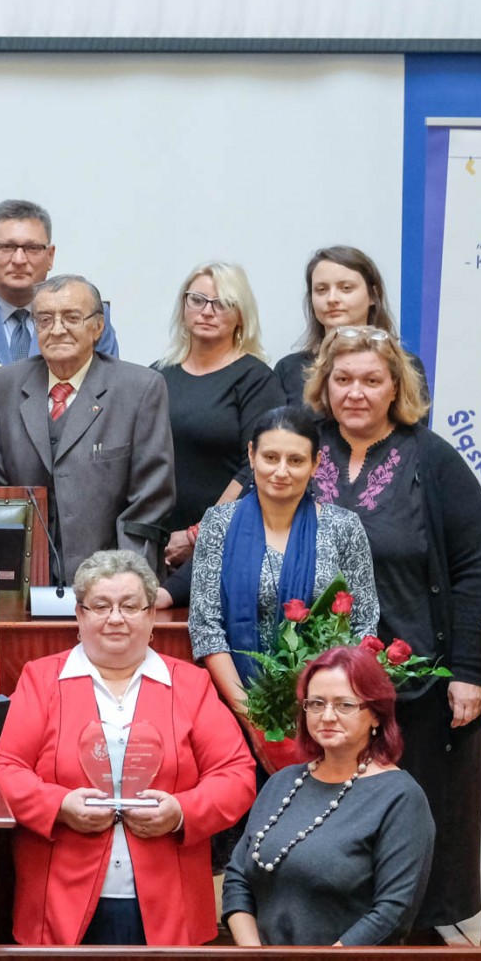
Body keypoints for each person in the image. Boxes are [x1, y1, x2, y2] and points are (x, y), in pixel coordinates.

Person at [304, 326, 481, 930]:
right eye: (342, 379)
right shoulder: (300, 448)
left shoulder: (432, 459)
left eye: (371, 380)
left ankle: (411, 936)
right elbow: (239, 524)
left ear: (396, 388)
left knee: (413, 818)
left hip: (418, 683)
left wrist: (467, 671)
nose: (355, 392)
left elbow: (474, 567)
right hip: (318, 682)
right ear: (324, 385)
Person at [0, 550, 255, 945]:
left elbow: (236, 775)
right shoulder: (40, 680)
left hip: (171, 898)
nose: (115, 618)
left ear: (151, 616)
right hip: (58, 895)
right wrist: (59, 806)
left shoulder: (190, 685)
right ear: (79, 616)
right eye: (101, 606)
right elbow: (3, 770)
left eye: (130, 606)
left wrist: (181, 812)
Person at [188, 407, 378, 760]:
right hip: (232, 714)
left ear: (316, 463)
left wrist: (322, 711)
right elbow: (206, 628)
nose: (281, 471)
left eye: (295, 460)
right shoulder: (218, 524)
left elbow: (364, 626)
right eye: (270, 457)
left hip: (325, 718)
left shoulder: (343, 527)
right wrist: (255, 721)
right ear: (251, 455)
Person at [223, 647, 435, 945]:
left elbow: (392, 912)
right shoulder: (282, 782)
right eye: (316, 703)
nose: (327, 716)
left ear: (376, 715)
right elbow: (237, 878)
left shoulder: (400, 797)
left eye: (344, 705)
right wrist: (256, 958)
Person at [0, 274, 176, 580]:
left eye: (72, 318)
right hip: (25, 572)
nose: (57, 329)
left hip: (111, 575)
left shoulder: (139, 388)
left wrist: (123, 580)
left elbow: (150, 498)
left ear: (98, 327)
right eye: (45, 319)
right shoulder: (2, 386)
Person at [152, 262, 281, 580]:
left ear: (241, 315)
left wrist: (199, 535)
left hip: (227, 547)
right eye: (197, 300)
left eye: (222, 303)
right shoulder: (156, 375)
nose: (207, 311)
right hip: (153, 544)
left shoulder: (256, 379)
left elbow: (255, 466)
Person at [272, 245, 429, 409]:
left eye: (346, 288)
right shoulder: (288, 368)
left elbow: (412, 421)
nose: (332, 299)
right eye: (321, 290)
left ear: (373, 295)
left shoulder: (404, 365)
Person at [0, 199, 120, 365]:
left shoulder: (90, 314)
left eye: (32, 248)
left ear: (50, 256)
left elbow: (107, 379)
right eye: (7, 247)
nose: (19, 260)